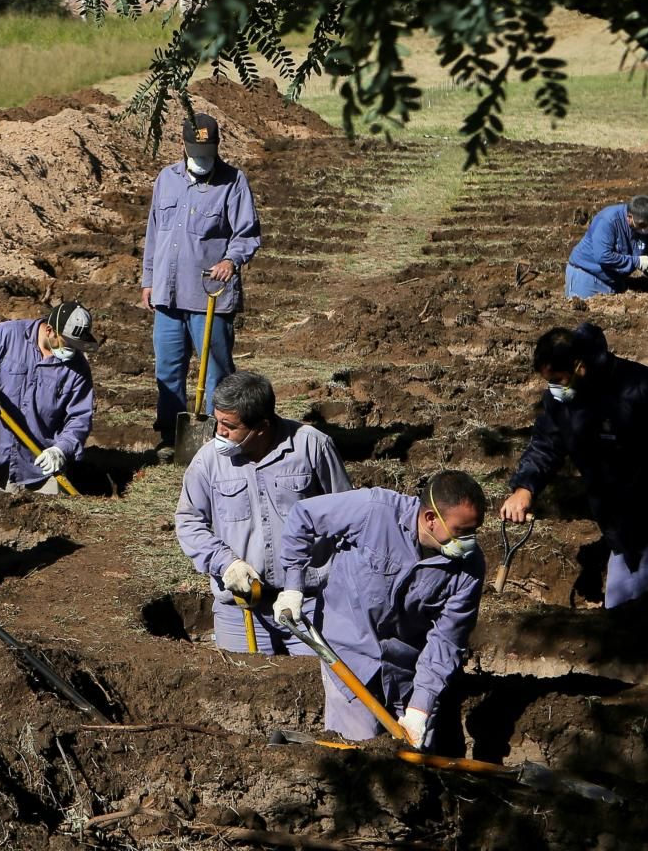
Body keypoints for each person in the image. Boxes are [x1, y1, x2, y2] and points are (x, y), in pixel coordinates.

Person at [500, 323, 648, 609]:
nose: (554, 389)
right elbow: (546, 444)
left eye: (559, 380)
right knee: (619, 607)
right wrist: (525, 487)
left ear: (579, 366)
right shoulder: (561, 402)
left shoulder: (640, 387)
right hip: (623, 529)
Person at [277, 471, 488, 750]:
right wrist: (293, 586)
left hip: (407, 670)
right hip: (348, 654)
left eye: (474, 531)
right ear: (431, 519)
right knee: (361, 753)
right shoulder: (374, 510)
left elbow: (447, 641)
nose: (469, 541)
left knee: (418, 757)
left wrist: (419, 710)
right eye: (462, 532)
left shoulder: (469, 569)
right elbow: (304, 516)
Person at [174, 371, 352, 654]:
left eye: (228, 426)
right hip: (241, 608)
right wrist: (225, 563)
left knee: (316, 686)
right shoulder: (208, 461)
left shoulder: (312, 447)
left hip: (308, 604)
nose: (219, 432)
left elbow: (347, 517)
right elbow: (188, 521)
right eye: (217, 421)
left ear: (261, 427)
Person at [141, 113, 262, 446]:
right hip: (168, 293)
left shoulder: (233, 182)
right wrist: (148, 279)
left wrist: (230, 260)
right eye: (196, 151)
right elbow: (154, 233)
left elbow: (247, 233)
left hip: (210, 294)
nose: (201, 159)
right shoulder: (166, 179)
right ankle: (170, 436)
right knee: (168, 368)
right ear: (182, 145)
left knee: (217, 373)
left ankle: (217, 436)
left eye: (207, 152)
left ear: (217, 147)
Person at [0, 302, 98, 495]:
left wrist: (60, 450)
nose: (72, 351)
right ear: (50, 330)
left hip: (39, 470)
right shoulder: (8, 335)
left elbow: (79, 419)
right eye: (67, 343)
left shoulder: (78, 369)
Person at [566, 195, 648, 298]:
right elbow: (603, 256)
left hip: (615, 282)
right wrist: (636, 261)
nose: (646, 229)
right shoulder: (608, 221)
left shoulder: (646, 226)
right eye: (642, 225)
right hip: (587, 275)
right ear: (629, 217)